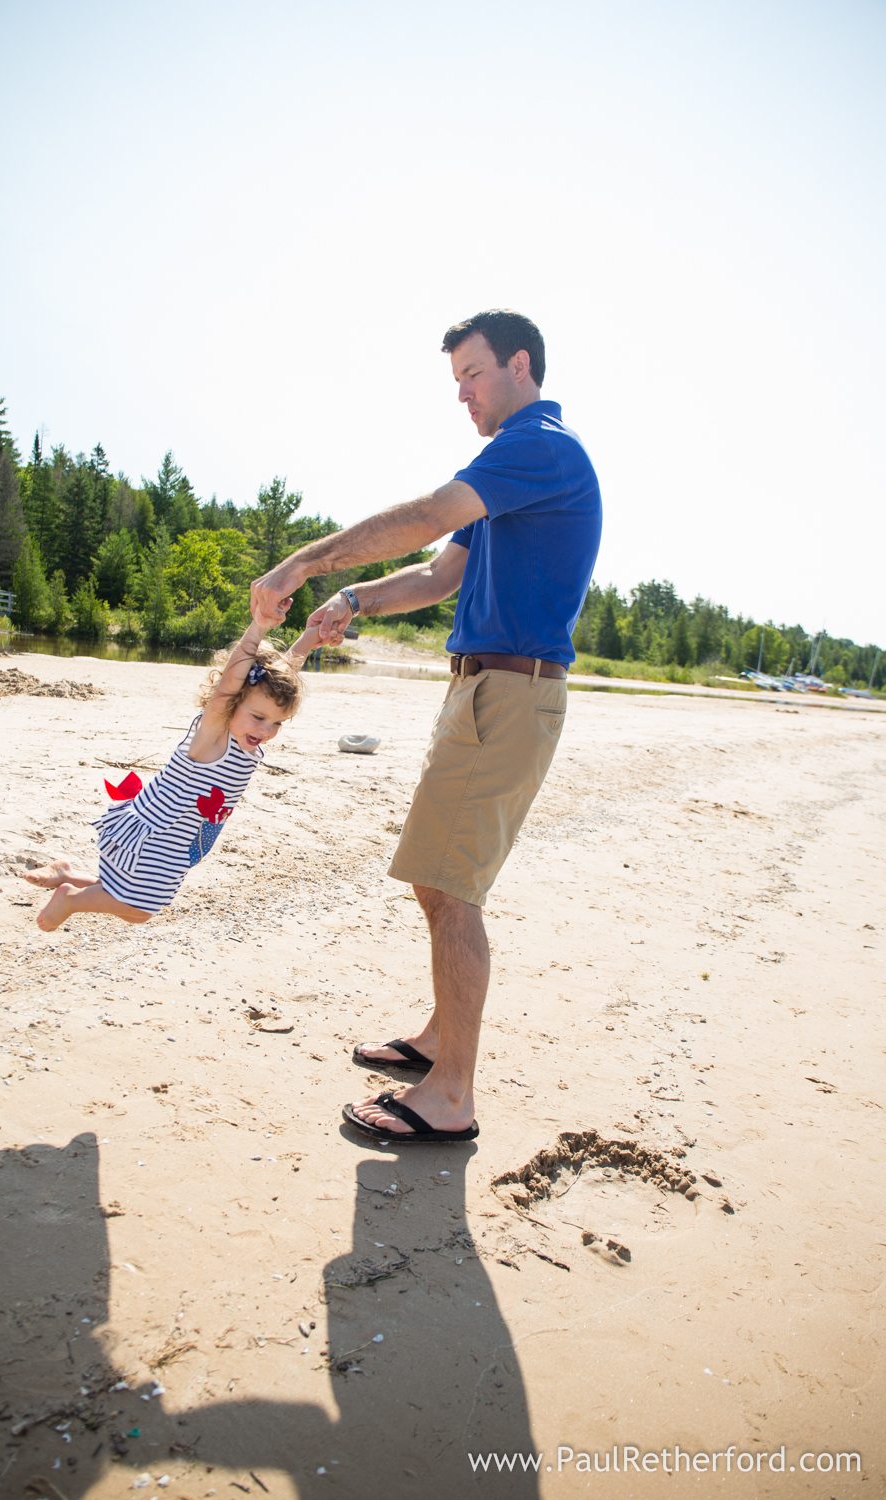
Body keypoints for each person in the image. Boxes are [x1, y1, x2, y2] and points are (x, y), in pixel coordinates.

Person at [251, 308, 602, 1144]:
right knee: (434, 878)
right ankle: (442, 1042)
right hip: (483, 691)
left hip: (509, 695)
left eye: (472, 376)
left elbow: (428, 517)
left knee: (452, 892)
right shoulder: (515, 472)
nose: (464, 395)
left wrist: (304, 562)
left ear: (520, 365)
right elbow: (443, 570)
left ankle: (450, 1096)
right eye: (456, 383)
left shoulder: (539, 447)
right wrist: (355, 599)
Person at [23, 606, 320, 931]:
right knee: (141, 907)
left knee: (126, 896)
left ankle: (66, 874)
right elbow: (228, 685)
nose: (266, 730)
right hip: (155, 834)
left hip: (176, 838)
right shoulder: (212, 737)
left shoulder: (246, 744)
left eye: (277, 723)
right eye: (259, 718)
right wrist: (258, 627)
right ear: (233, 703)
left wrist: (309, 638)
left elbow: (281, 678)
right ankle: (70, 898)